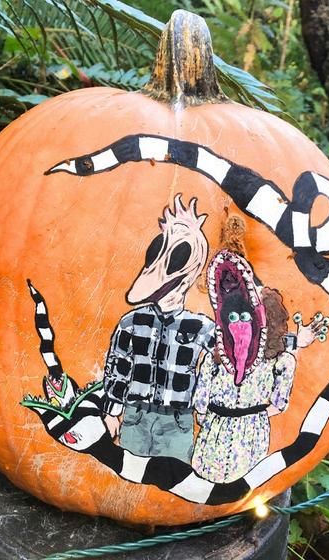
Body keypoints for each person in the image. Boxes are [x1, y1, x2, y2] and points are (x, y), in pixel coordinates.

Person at [191, 250, 328, 483]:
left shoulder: (279, 362)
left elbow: (279, 402)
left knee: (247, 488)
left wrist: (250, 418)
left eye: (247, 317)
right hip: (214, 441)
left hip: (250, 440)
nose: (240, 325)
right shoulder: (215, 359)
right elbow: (201, 401)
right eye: (233, 318)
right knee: (207, 485)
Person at [102, 195, 214, 462]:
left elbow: (233, 357)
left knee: (172, 477)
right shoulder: (131, 323)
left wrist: (206, 406)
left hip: (177, 419)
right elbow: (119, 367)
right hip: (135, 414)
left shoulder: (201, 327)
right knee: (129, 476)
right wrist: (112, 411)